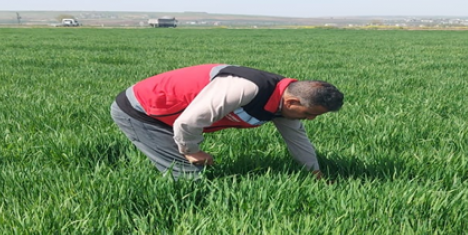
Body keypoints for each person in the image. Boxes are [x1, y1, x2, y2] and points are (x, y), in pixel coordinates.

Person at [110, 64, 344, 180]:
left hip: (173, 117)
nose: (310, 120)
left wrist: (314, 172)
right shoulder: (246, 88)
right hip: (141, 112)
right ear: (293, 102)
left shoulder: (283, 103)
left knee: (191, 173)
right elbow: (188, 122)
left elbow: (297, 139)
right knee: (188, 179)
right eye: (309, 114)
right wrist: (192, 151)